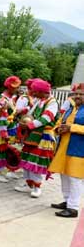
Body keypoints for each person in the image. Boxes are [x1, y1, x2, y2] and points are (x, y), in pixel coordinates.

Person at [14, 79, 57, 198]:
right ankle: (29, 185)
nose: (33, 93)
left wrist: (28, 125)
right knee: (27, 161)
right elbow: (30, 113)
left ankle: (37, 187)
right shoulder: (40, 101)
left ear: (42, 91)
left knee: (35, 162)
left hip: (44, 137)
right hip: (33, 135)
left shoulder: (52, 102)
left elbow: (46, 118)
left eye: (35, 91)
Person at [49, 83, 84, 218]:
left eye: (81, 94)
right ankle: (67, 201)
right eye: (76, 94)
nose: (77, 96)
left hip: (79, 150)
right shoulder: (71, 108)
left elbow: (72, 126)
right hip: (64, 148)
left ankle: (73, 208)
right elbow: (59, 122)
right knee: (64, 175)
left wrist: (72, 128)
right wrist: (58, 129)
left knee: (75, 178)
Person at [0, 75, 22, 182]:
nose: (18, 89)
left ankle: (10, 171)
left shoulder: (10, 98)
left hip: (11, 128)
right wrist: (4, 134)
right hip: (4, 130)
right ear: (11, 87)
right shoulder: (3, 99)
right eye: (16, 87)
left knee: (9, 151)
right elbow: (2, 119)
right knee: (2, 151)